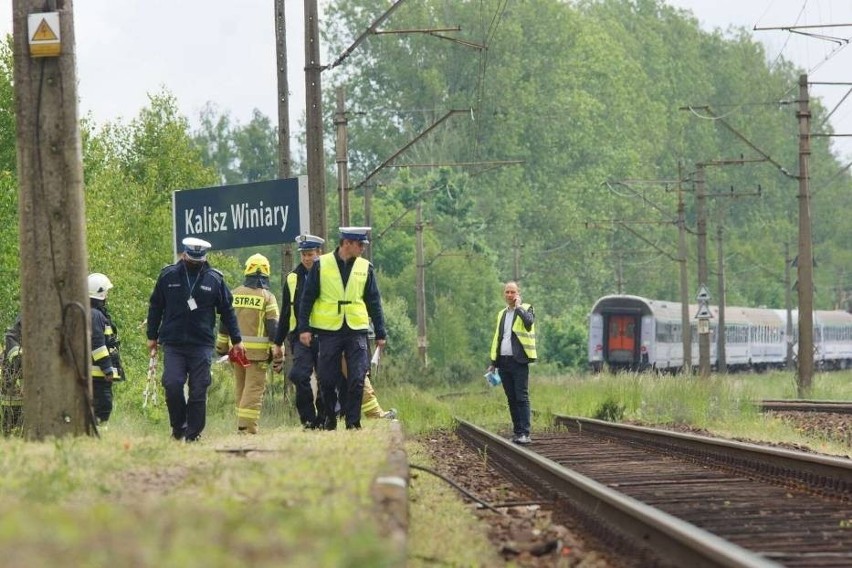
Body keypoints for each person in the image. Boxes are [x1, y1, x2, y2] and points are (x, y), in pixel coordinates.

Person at [146, 237, 245, 442]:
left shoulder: (214, 279)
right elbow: (155, 306)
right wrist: (151, 336)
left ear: (204, 258)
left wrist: (237, 340)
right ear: (184, 255)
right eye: (192, 258)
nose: (195, 263)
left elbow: (227, 311)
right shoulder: (168, 276)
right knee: (172, 384)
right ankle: (178, 427)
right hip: (173, 342)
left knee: (199, 388)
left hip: (201, 344)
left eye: (199, 260)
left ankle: (193, 433)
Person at [297, 227, 387, 430]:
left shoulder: (366, 267)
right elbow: (307, 299)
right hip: (329, 330)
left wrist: (380, 332)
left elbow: (374, 301)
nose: (363, 248)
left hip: (356, 329)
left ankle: (353, 422)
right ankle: (330, 417)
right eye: (360, 244)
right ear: (347, 243)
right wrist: (304, 328)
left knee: (357, 377)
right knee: (327, 379)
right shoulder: (322, 265)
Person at [216, 253, 279, 434]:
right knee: (253, 391)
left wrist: (221, 347)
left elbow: (224, 323)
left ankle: (241, 426)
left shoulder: (233, 293)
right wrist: (277, 350)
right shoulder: (267, 297)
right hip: (257, 356)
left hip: (236, 353)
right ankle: (247, 430)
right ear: (266, 273)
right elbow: (273, 327)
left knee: (241, 390)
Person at [273, 234, 327, 429]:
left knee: (325, 378)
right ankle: (308, 418)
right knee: (298, 375)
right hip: (299, 337)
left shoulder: (327, 275)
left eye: (310, 254)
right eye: (304, 254)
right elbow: (286, 311)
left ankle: (324, 417)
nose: (306, 258)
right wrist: (278, 342)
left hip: (323, 334)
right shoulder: (292, 278)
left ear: (319, 253)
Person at [487, 281, 537, 445]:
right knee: (511, 398)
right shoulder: (501, 314)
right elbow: (497, 338)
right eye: (507, 292)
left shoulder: (527, 308)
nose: (509, 295)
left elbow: (529, 324)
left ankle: (525, 433)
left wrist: (519, 307)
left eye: (512, 292)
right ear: (504, 294)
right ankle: (517, 432)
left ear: (518, 293)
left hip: (519, 361)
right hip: (503, 361)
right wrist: (493, 362)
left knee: (521, 396)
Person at [88, 273, 125, 425]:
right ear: (101, 292)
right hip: (98, 374)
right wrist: (107, 368)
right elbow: (97, 344)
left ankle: (95, 434)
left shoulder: (94, 314)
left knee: (101, 407)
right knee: (103, 407)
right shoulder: (95, 315)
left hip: (97, 374)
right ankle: (97, 436)